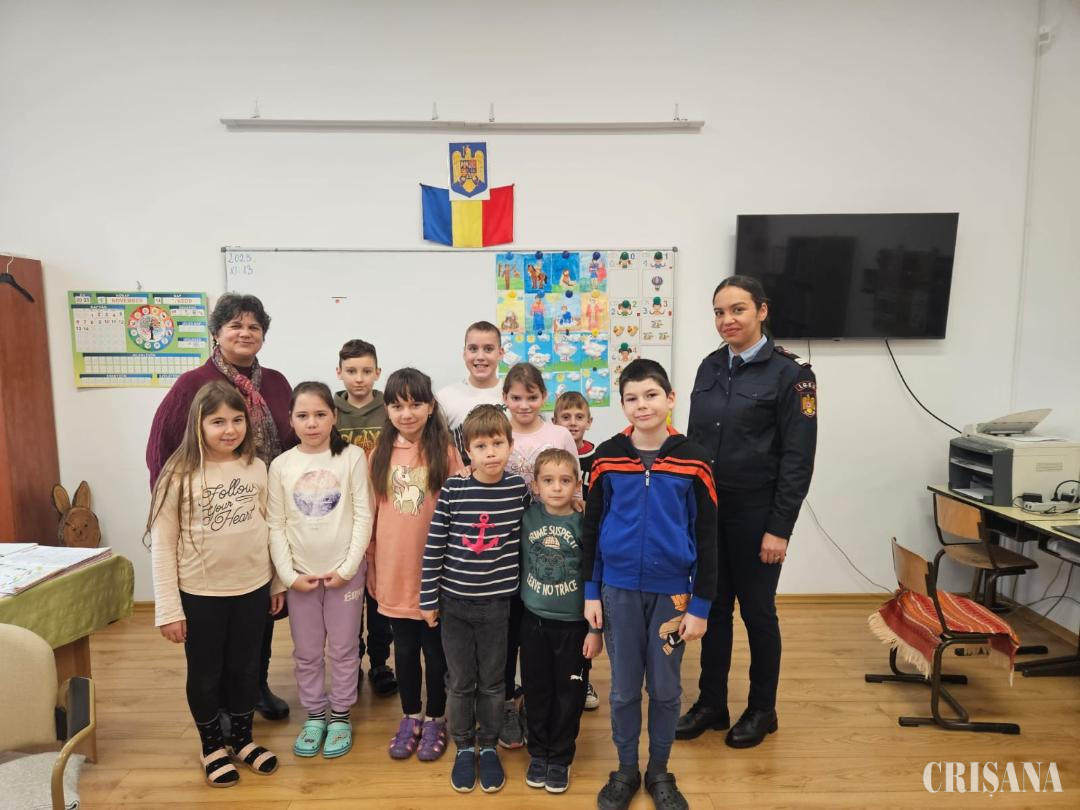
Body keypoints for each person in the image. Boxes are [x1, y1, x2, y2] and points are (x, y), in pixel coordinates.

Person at [678, 275, 817, 749]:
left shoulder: (791, 375)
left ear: (762, 310)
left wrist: (780, 528)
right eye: (719, 312)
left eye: (737, 309)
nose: (727, 320)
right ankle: (712, 703)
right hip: (710, 512)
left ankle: (762, 709)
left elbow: (798, 459)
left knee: (758, 613)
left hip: (758, 515)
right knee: (713, 608)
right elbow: (695, 444)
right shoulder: (709, 366)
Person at [146, 292, 293, 723]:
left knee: (258, 615)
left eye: (254, 327)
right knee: (212, 634)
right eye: (235, 325)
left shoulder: (277, 383)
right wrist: (171, 510)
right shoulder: (192, 384)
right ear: (216, 332)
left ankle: (255, 686)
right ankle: (221, 705)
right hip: (206, 519)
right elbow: (161, 451)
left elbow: (292, 442)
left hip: (260, 511)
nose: (245, 333)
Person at [582, 359, 718, 810]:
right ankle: (626, 768)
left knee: (664, 689)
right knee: (623, 690)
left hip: (672, 596)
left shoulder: (694, 460)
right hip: (617, 592)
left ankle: (659, 769)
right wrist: (591, 592)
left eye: (651, 395)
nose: (642, 405)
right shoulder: (606, 457)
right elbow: (591, 530)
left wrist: (700, 605)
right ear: (622, 404)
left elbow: (707, 538)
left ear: (670, 398)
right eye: (632, 398)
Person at [147, 380, 285, 787]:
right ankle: (212, 747)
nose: (230, 429)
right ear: (199, 425)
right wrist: (168, 609)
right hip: (201, 594)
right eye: (218, 422)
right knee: (206, 673)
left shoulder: (256, 467)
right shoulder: (178, 474)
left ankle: (242, 740)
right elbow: (162, 546)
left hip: (252, 589)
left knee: (246, 668)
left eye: (237, 420)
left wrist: (276, 582)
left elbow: (271, 527)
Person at [419, 405, 529, 794]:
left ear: (510, 445)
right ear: (467, 451)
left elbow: (535, 530)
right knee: (461, 681)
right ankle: (465, 745)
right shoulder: (454, 489)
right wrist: (428, 598)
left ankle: (489, 745)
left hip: (498, 605)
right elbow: (435, 546)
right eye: (480, 446)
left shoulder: (519, 490)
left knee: (495, 682)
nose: (490, 453)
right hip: (454, 603)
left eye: (497, 443)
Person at [267, 382, 373, 760]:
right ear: (291, 420)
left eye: (320, 414)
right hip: (301, 578)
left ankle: (340, 714)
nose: (311, 423)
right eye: (303, 415)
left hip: (345, 575)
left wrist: (348, 568)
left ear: (334, 417)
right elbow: (275, 525)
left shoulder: (352, 457)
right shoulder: (281, 465)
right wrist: (288, 576)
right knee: (308, 651)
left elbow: (364, 515)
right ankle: (315, 714)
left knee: (344, 649)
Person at [368, 368, 463, 761]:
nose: (406, 413)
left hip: (436, 576)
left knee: (436, 653)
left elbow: (459, 515)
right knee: (404, 652)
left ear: (431, 407)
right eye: (397, 405)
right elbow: (372, 517)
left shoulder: (447, 453)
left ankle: (437, 717)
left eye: (415, 404)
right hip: (393, 573)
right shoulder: (379, 454)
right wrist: (373, 566)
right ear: (387, 409)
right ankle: (411, 716)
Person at [499, 362, 580, 748]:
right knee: (511, 630)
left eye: (532, 397)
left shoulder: (559, 434)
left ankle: (539, 701)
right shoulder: (500, 433)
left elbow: (574, 483)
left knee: (541, 624)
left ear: (544, 397)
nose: (524, 404)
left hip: (549, 544)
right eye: (516, 397)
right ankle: (507, 702)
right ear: (504, 398)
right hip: (505, 545)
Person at [519, 449, 602, 794]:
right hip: (533, 623)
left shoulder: (585, 522)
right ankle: (539, 753)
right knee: (537, 691)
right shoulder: (526, 517)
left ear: (577, 484)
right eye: (548, 480)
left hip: (573, 626)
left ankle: (561, 756)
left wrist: (595, 630)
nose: (556, 488)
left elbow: (597, 574)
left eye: (565, 480)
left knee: (569, 695)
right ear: (535, 486)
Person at [335, 338, 398, 698]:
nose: (359, 378)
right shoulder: (329, 410)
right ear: (339, 372)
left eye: (366, 371)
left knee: (378, 594)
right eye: (351, 371)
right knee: (349, 595)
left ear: (378, 372)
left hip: (384, 513)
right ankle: (352, 661)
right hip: (343, 517)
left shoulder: (390, 408)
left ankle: (379, 661)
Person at [553, 390, 599, 711]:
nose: (572, 423)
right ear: (554, 421)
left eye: (579, 417)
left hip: (586, 541)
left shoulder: (598, 457)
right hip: (556, 541)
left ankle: (583, 677)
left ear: (589, 421)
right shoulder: (552, 456)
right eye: (565, 417)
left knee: (584, 618)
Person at [436, 321, 507, 464]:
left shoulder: (516, 396)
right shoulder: (444, 397)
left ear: (500, 353)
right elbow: (437, 446)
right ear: (464, 353)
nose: (480, 356)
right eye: (473, 349)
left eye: (488, 349)